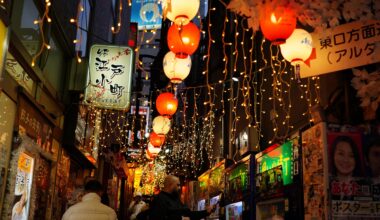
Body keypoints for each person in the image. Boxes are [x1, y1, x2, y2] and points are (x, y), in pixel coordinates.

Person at [148, 175, 215, 220]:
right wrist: (180, 218)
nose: (180, 188)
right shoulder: (159, 199)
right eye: (178, 185)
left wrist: (206, 212)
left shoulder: (176, 199)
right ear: (170, 185)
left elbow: (189, 214)